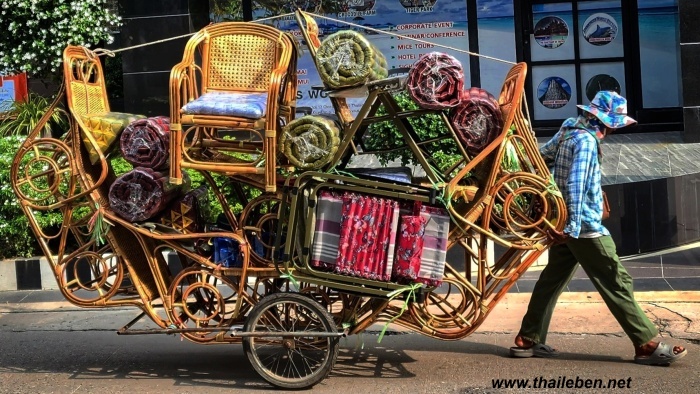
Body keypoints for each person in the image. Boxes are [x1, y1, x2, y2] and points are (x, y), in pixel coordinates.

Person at [510, 91, 687, 365]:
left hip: (561, 221)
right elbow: (577, 185)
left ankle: (527, 338)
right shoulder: (586, 141)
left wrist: (556, 210)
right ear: (605, 122)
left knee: (551, 280)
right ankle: (646, 343)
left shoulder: (569, 128)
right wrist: (572, 226)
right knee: (616, 280)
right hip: (582, 227)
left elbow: (542, 157)